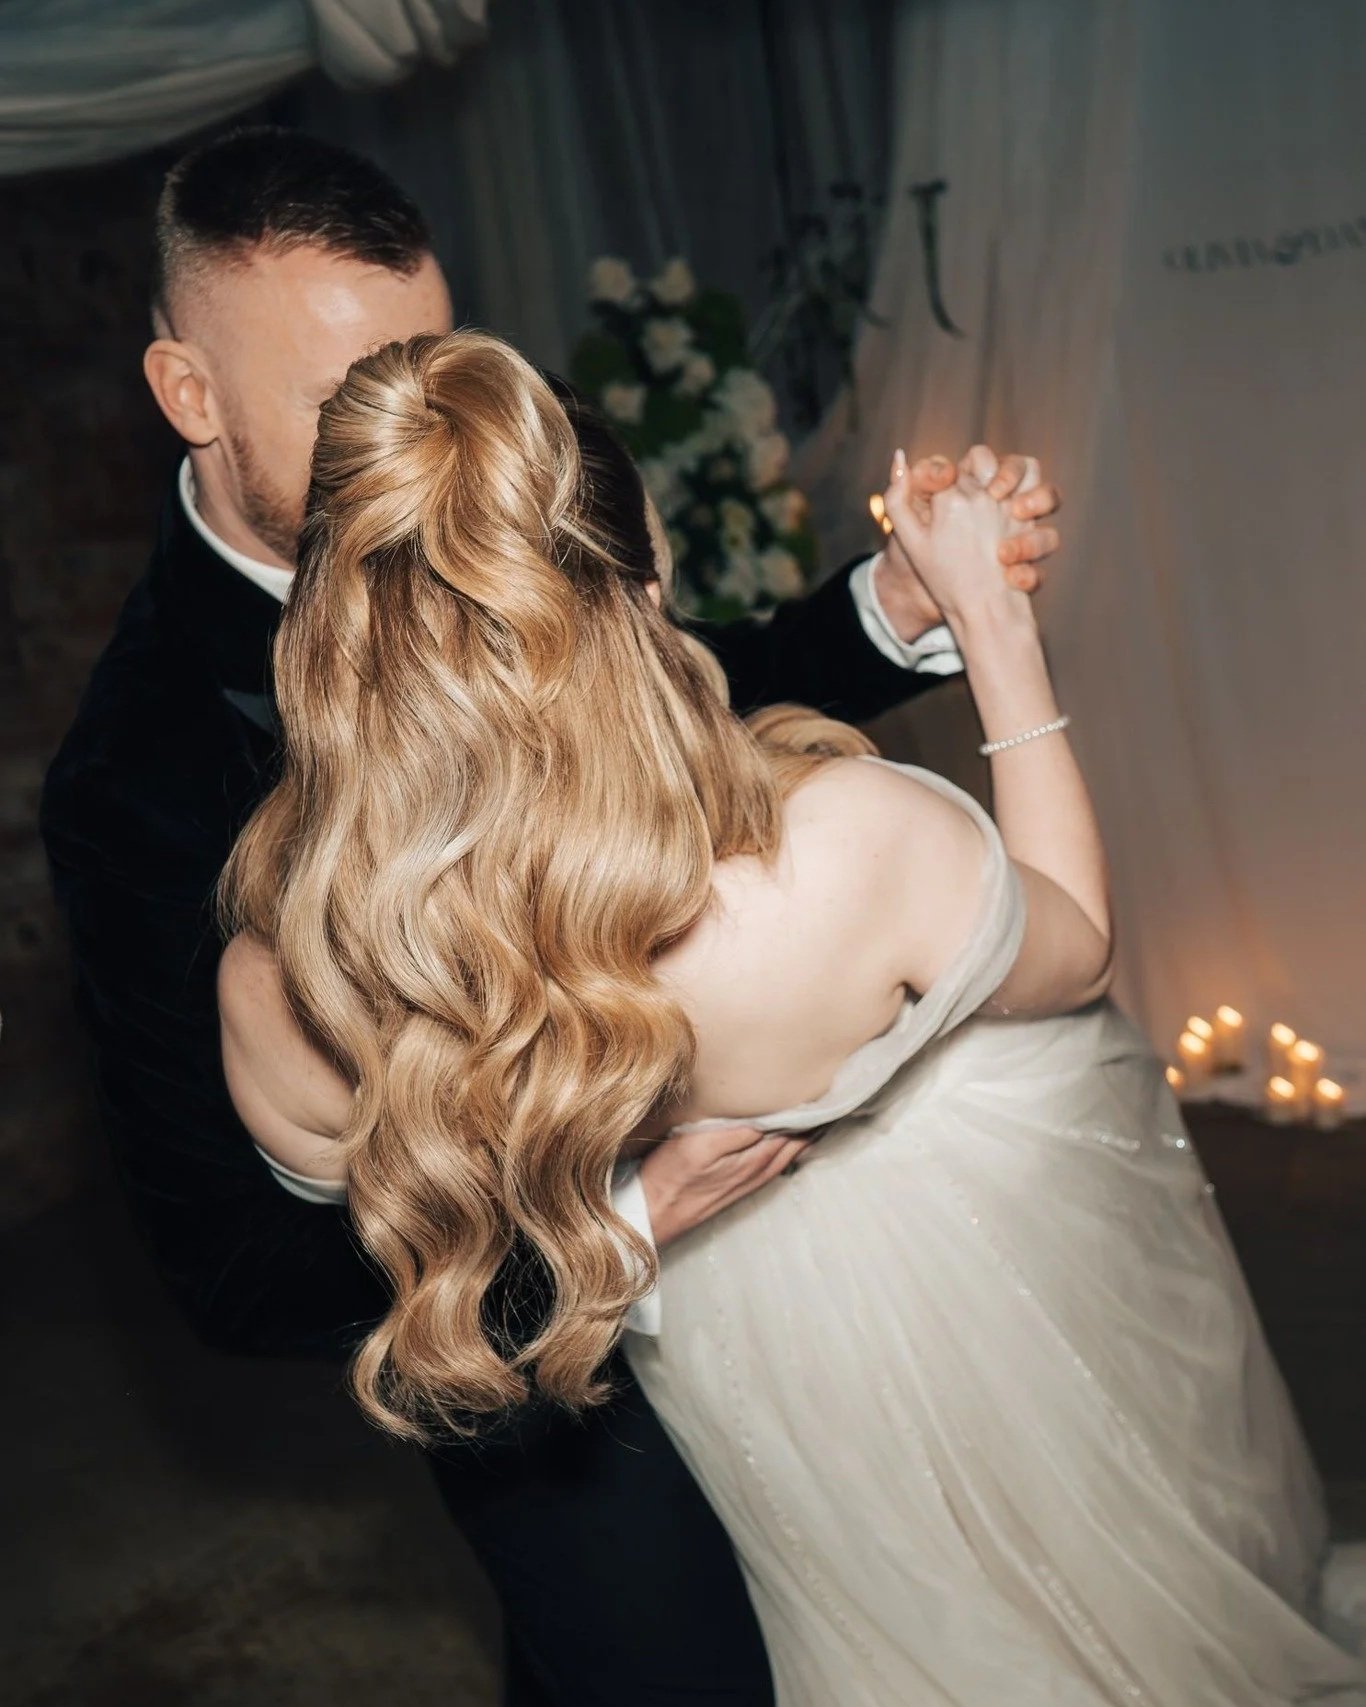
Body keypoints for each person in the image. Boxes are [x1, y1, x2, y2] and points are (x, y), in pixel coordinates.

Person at [41, 129, 1062, 1707]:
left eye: (437, 358)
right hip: (555, 1403)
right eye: (345, 395)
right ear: (190, 394)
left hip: (808, 1263)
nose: (418, 423)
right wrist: (619, 1230)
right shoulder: (138, 781)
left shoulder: (472, 485)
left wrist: (895, 611)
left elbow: (650, 679)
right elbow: (236, 1273)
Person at [220, 328, 1365, 1706]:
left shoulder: (283, 984)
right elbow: (1072, 948)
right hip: (972, 1290)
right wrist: (990, 621)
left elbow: (345, 1268)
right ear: (651, 591)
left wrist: (616, 1222)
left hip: (740, 1368)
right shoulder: (838, 852)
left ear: (334, 631)